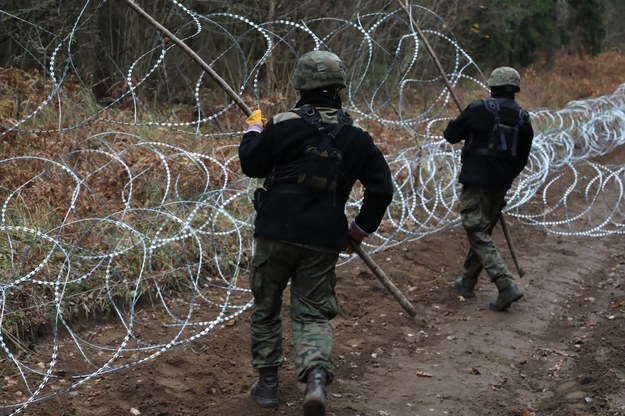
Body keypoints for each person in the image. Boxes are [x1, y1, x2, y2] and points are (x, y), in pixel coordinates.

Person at [238, 50, 394, 416]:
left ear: (301, 84)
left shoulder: (284, 123)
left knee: (266, 308)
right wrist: (357, 232)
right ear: (339, 87)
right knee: (312, 315)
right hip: (324, 239)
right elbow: (382, 190)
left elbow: (251, 164)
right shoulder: (357, 136)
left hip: (275, 230)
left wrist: (253, 130)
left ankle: (268, 386)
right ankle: (317, 379)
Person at [443, 66, 534, 312]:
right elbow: (522, 157)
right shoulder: (523, 118)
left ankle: (505, 285)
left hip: (477, 180)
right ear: (515, 89)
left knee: (475, 228)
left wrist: (461, 121)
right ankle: (467, 282)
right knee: (481, 230)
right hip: (501, 183)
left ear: (492, 86)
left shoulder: (478, 108)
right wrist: (504, 178)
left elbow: (450, 135)